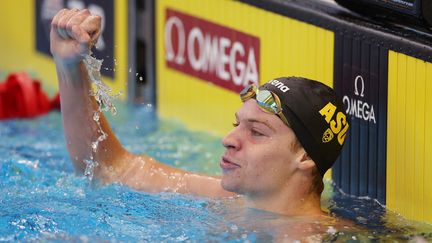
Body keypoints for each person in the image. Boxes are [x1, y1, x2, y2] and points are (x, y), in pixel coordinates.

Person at [50, 8, 349, 219]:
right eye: (237, 124)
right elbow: (109, 168)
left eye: (257, 132)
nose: (229, 139)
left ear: (305, 157)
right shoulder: (227, 200)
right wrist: (69, 68)